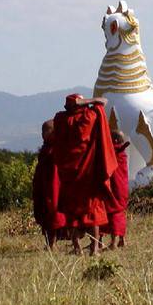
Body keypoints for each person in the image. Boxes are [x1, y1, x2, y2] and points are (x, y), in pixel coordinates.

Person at [52, 94, 117, 256]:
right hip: (88, 176)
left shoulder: (60, 120)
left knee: (72, 212)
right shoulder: (90, 116)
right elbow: (102, 102)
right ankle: (95, 248)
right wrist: (90, 101)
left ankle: (77, 247)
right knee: (93, 211)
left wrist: (77, 103)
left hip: (69, 176)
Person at [32, 119, 67, 250]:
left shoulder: (57, 148)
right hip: (44, 186)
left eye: (47, 130)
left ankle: (52, 244)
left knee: (53, 214)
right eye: (43, 131)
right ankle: (50, 243)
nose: (44, 134)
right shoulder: (46, 148)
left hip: (54, 188)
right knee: (46, 215)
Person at [100, 130, 129, 250]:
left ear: (115, 141)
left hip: (114, 189)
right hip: (122, 189)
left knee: (113, 214)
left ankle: (113, 242)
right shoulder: (122, 153)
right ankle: (122, 240)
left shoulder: (113, 154)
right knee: (119, 214)